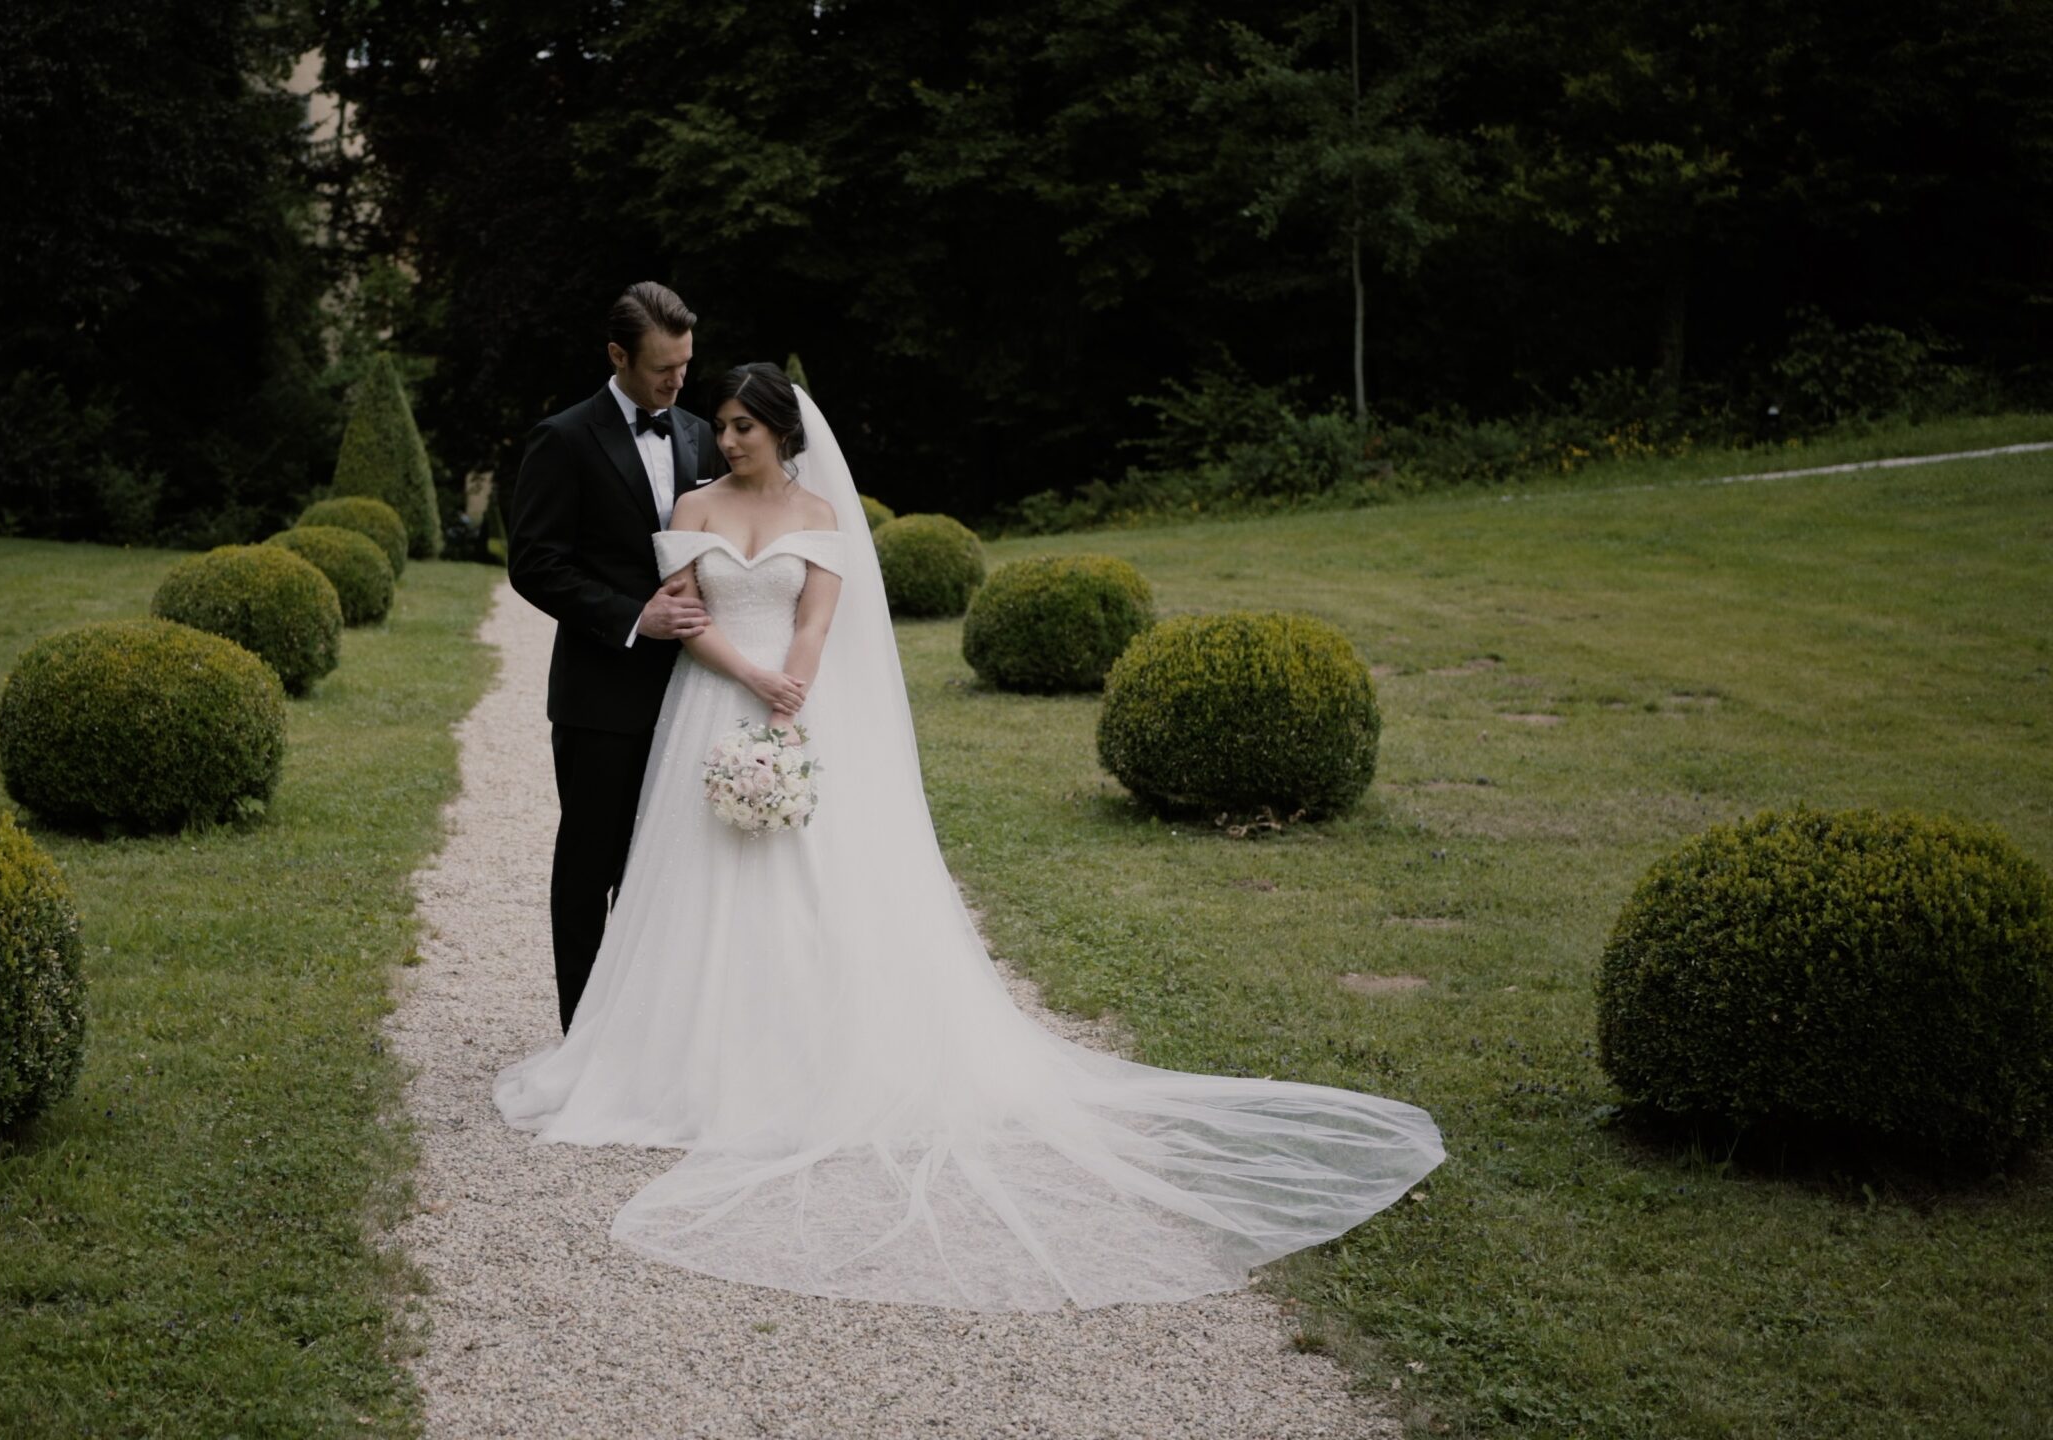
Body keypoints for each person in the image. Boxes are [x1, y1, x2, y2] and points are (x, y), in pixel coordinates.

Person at [495, 364, 1446, 1311]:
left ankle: (801, 1054)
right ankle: (676, 1057)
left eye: (744, 425)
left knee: (803, 885)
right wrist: (748, 674)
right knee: (690, 880)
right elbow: (684, 615)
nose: (725, 437)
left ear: (782, 432)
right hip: (707, 704)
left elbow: (820, 620)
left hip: (790, 704)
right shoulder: (696, 509)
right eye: (727, 424)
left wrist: (789, 693)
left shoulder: (824, 510)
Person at [506, 282, 728, 1032]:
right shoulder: (564, 439)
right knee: (590, 866)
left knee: (666, 865)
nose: (677, 381)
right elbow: (535, 563)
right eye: (664, 367)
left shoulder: (701, 435)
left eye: (686, 365)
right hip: (601, 694)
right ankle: (584, 1037)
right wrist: (636, 615)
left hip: (695, 694)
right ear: (617, 356)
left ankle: (648, 1033)